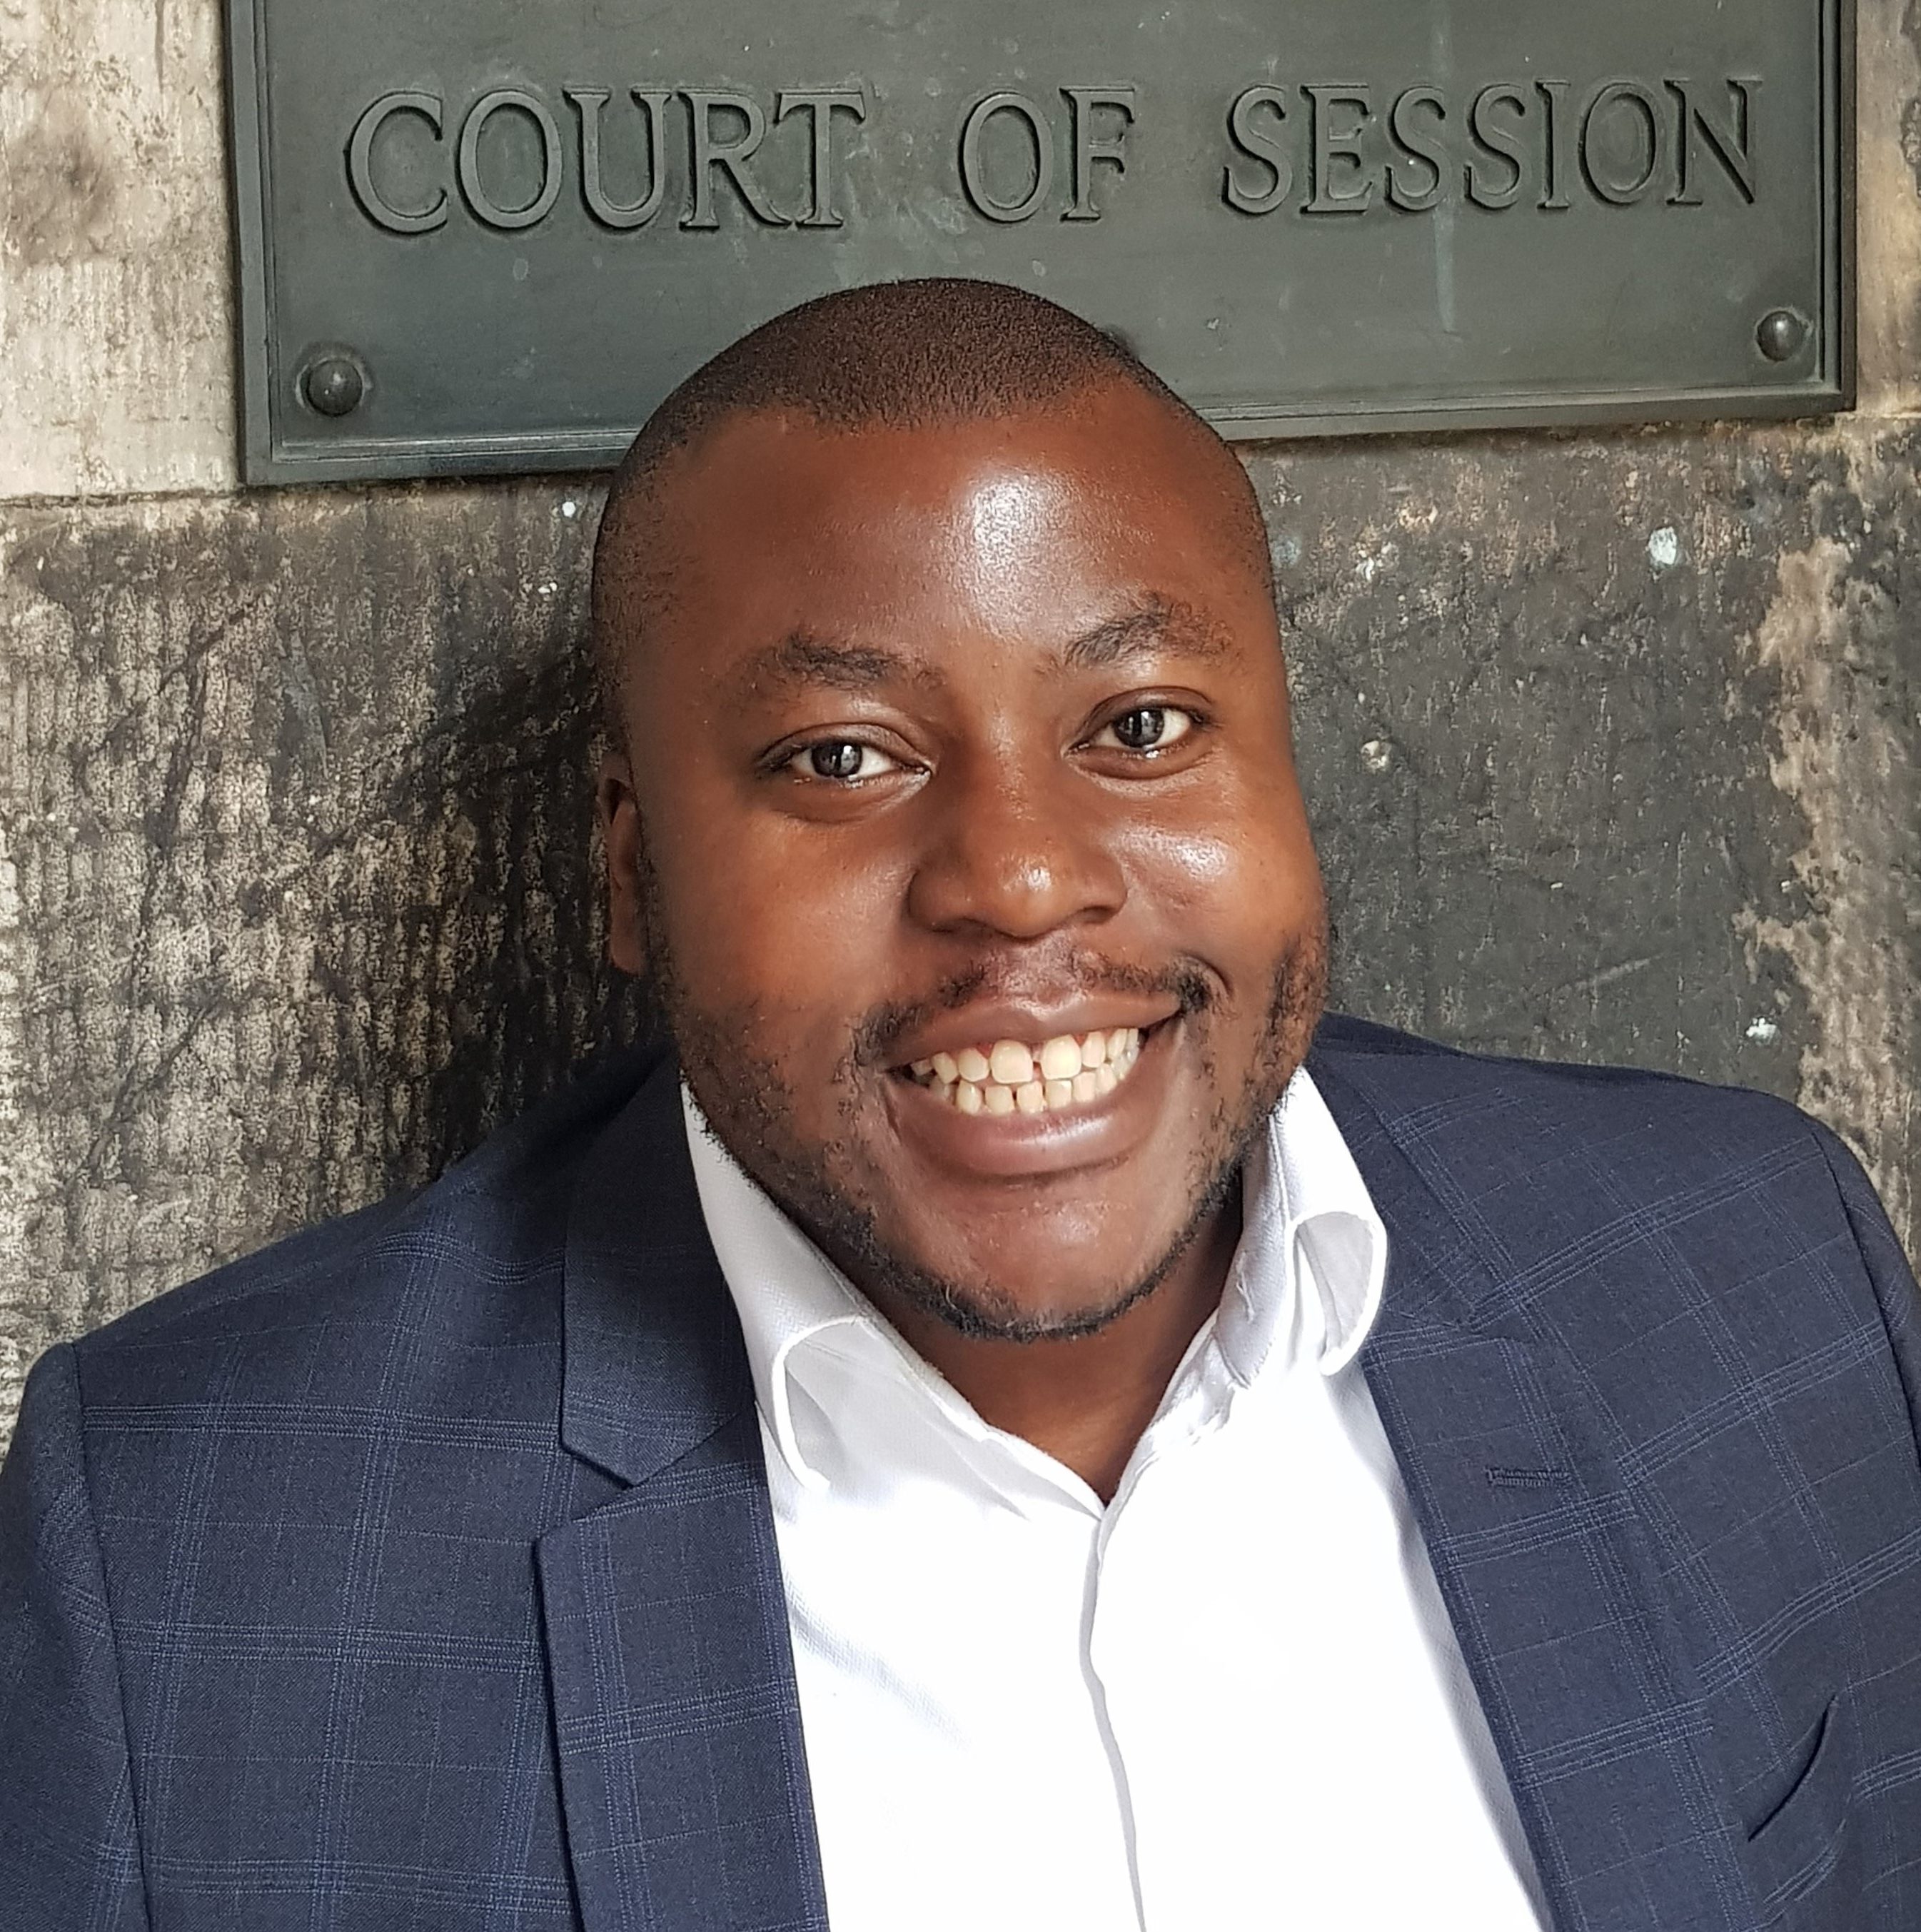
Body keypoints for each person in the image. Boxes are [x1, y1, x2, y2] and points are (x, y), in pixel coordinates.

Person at [2, 279, 1917, 1932]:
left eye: (1141, 725)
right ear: (626, 868)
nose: (1016, 876)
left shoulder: (1753, 1282)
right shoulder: (198, 1562)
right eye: (841, 756)